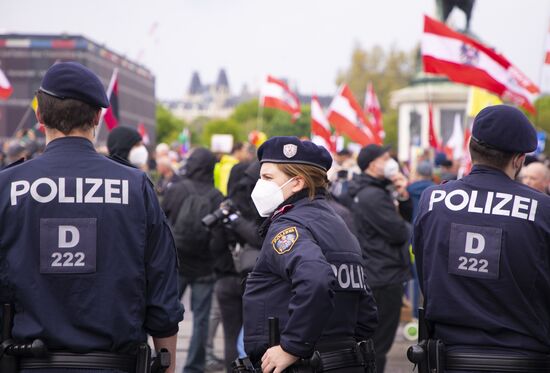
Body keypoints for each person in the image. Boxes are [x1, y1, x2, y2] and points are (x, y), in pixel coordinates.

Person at [0, 61, 183, 372]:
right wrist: (166, 363)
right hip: (114, 363)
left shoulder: (7, 186)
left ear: (40, 116)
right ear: (98, 117)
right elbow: (162, 289)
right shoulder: (136, 186)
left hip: (26, 361)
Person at [412, 105, 550, 372]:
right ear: (519, 159)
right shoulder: (542, 209)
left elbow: (423, 268)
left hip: (448, 358)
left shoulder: (433, 200)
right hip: (525, 358)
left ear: (470, 147)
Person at [243, 136, 378, 373]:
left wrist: (292, 347)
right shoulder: (337, 224)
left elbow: (315, 278)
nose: (260, 184)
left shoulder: (288, 226)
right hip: (342, 360)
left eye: (268, 177)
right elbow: (365, 307)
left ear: (297, 183)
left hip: (303, 364)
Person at [347, 144, 412, 373]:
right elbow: (400, 232)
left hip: (376, 271)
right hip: (383, 274)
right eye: (386, 158)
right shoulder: (373, 195)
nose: (390, 162)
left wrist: (402, 196)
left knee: (372, 343)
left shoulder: (372, 190)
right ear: (373, 164)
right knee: (377, 346)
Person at [161, 147, 225, 373]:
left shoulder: (176, 189)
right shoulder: (217, 196)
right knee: (201, 319)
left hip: (174, 263)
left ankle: (161, 360)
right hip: (205, 266)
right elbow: (219, 234)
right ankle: (194, 366)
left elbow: (161, 221)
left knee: (164, 313)